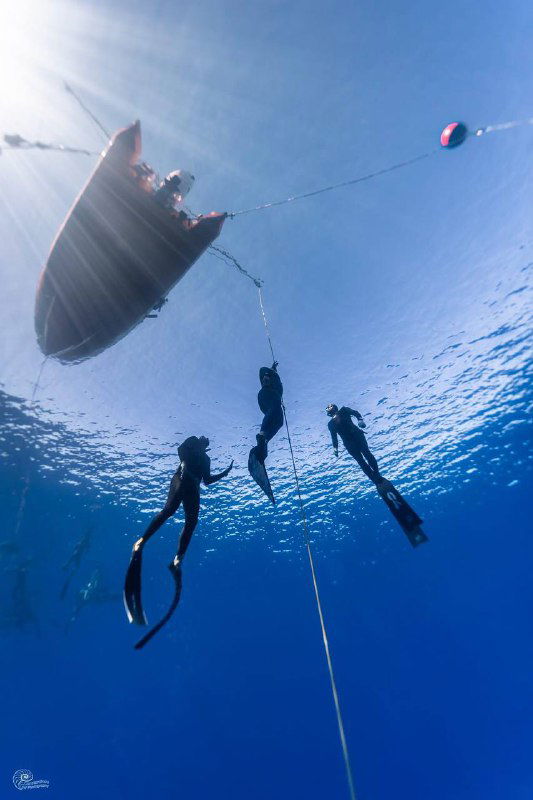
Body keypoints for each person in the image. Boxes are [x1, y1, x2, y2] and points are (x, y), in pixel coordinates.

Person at [124, 435, 233, 627]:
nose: (204, 442)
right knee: (169, 511)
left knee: (192, 522)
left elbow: (206, 480)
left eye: (206, 442)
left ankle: (178, 559)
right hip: (181, 479)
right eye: (202, 440)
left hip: (193, 487)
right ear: (199, 440)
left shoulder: (206, 459)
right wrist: (194, 449)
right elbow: (180, 452)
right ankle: (142, 541)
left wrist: (224, 473)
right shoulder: (192, 442)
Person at [326, 404, 383, 485]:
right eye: (327, 408)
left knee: (366, 453)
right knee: (360, 461)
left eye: (330, 407)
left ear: (335, 407)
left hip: (357, 436)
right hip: (349, 443)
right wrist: (335, 448)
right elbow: (334, 437)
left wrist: (360, 420)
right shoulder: (331, 424)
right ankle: (374, 479)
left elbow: (355, 413)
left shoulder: (344, 410)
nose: (329, 408)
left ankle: (377, 474)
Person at [254, 362, 283, 462]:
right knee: (272, 410)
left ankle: (264, 440)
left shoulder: (274, 383)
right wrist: (272, 369)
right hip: (268, 395)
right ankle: (262, 435)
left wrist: (273, 368)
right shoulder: (268, 379)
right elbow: (265, 373)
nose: (265, 378)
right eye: (264, 378)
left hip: (273, 398)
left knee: (279, 422)